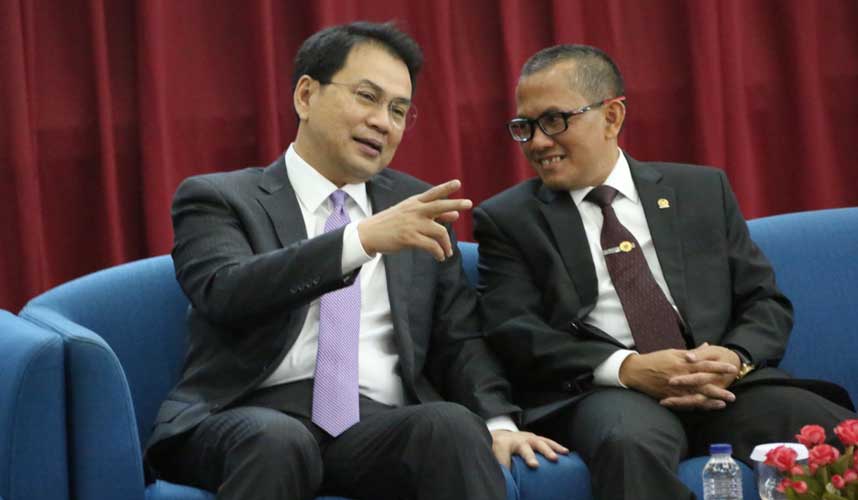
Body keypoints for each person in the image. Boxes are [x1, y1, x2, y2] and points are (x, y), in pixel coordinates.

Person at [143, 21, 565, 500]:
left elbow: (459, 336)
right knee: (279, 442)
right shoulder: (220, 198)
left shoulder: (416, 207)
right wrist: (358, 241)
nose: (383, 122)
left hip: (372, 427)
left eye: (399, 110)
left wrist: (498, 422)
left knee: (450, 426)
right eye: (367, 97)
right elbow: (226, 291)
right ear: (306, 96)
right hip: (249, 415)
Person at [473, 44, 856, 500]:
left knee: (829, 429)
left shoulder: (700, 190)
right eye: (525, 127)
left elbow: (764, 302)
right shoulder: (510, 220)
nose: (537, 142)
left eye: (554, 121)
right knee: (627, 443)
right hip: (612, 394)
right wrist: (628, 368)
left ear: (612, 117)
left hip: (723, 386)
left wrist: (733, 357)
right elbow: (515, 331)